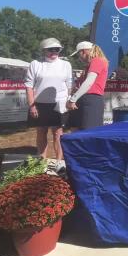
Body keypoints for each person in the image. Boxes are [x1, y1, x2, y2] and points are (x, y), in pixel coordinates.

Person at [24, 38, 72, 174]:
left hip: (59, 104)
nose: (54, 52)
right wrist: (32, 105)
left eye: (57, 49)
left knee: (58, 134)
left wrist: (68, 101)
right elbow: (28, 86)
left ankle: (59, 163)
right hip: (39, 104)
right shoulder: (35, 64)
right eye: (50, 49)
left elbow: (69, 85)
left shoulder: (66, 65)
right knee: (41, 132)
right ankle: (42, 162)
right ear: (44, 50)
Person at [67, 41, 109, 129]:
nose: (79, 58)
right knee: (80, 131)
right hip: (86, 100)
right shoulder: (90, 64)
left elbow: (89, 82)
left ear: (84, 51)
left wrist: (72, 99)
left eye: (79, 54)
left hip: (91, 99)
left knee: (89, 133)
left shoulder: (97, 61)